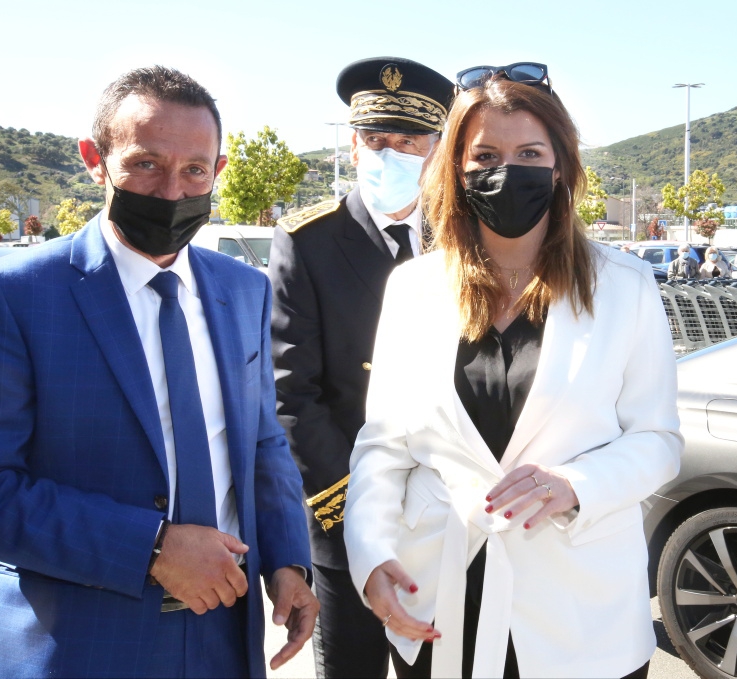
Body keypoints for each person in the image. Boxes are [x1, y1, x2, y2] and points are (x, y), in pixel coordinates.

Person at [0, 66, 316, 678]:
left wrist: (288, 561)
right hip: (76, 648)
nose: (171, 191)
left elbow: (263, 442)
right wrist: (153, 549)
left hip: (223, 638)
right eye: (146, 164)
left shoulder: (244, 290)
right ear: (95, 160)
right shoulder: (14, 293)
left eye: (195, 170)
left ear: (218, 171)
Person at [343, 65, 682, 678]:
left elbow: (657, 440)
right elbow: (383, 446)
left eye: (529, 153)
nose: (507, 170)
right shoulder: (414, 288)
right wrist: (369, 555)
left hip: (579, 616)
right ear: (457, 169)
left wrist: (576, 484)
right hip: (440, 599)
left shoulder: (625, 286)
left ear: (559, 168)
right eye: (486, 156)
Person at [269, 57, 454, 679]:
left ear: (436, 150)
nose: (390, 154)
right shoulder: (309, 240)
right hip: (346, 506)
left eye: (408, 141)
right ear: (352, 147)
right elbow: (293, 394)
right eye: (376, 140)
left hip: (446, 513)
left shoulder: (463, 239)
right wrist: (360, 516)